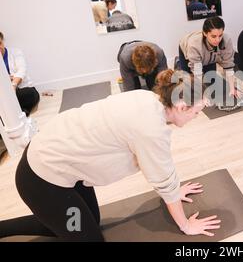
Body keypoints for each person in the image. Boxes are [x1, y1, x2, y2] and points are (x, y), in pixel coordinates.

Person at [0, 70, 221, 241]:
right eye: (197, 111)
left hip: (60, 159)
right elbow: (162, 177)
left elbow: (161, 168)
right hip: (43, 178)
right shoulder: (150, 129)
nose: (197, 116)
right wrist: (186, 226)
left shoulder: (147, 98)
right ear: (182, 106)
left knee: (89, 221)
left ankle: (53, 217)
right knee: (89, 239)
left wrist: (174, 190)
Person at [179, 17, 239, 98]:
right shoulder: (194, 45)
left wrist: (232, 88)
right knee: (190, 88)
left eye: (220, 35)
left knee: (211, 81)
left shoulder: (226, 40)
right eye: (213, 36)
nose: (217, 40)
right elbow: (197, 73)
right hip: (187, 51)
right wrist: (203, 95)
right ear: (205, 33)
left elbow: (228, 66)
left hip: (209, 57)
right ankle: (178, 63)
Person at [0, 32, 40, 116]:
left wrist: (13, 85)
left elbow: (21, 70)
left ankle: (12, 113)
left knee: (32, 94)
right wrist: (7, 79)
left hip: (21, 90)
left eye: (0, 43)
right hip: (4, 96)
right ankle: (20, 111)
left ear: (3, 41)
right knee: (5, 100)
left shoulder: (16, 52)